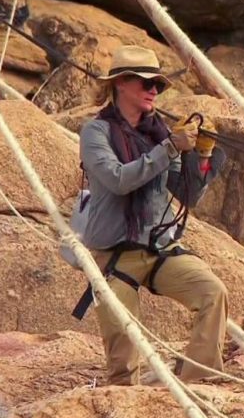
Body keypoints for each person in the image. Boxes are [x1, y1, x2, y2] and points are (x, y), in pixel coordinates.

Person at [72, 44, 228, 386]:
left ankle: (197, 386)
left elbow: (187, 194)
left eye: (157, 84)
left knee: (212, 292)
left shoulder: (158, 132)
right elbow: (118, 180)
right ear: (121, 84)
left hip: (159, 250)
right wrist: (172, 145)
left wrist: (202, 155)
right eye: (146, 83)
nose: (154, 90)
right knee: (123, 369)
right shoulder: (95, 133)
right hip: (113, 257)